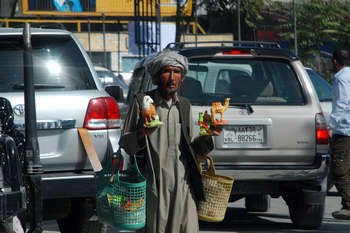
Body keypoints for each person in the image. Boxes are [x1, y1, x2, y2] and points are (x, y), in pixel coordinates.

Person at [119, 50, 222, 233]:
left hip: (183, 185)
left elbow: (192, 150)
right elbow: (126, 144)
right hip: (154, 184)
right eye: (167, 71)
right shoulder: (142, 102)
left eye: (177, 72)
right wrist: (142, 132)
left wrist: (208, 135)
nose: (172, 77)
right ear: (158, 76)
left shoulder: (184, 105)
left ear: (182, 76)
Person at [329, 49, 350, 220]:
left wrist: (331, 125)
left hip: (344, 130)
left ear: (335, 62)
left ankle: (349, 205)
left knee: (339, 169)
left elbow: (342, 104)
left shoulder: (341, 78)